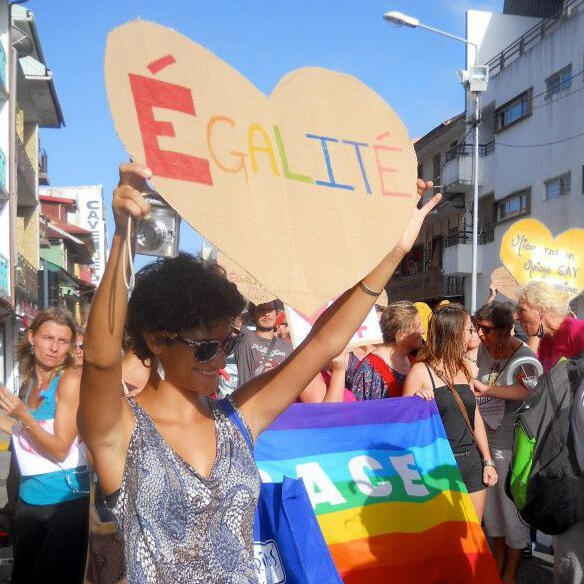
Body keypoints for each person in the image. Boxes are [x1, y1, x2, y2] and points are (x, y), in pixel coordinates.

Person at [77, 163, 439, 583]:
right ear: (157, 340)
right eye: (205, 347)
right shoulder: (120, 431)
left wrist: (392, 251)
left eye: (226, 344)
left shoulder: (237, 420)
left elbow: (321, 344)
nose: (219, 360)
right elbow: (100, 361)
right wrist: (123, 237)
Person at [0, 307, 89, 584]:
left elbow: (60, 448)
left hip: (64, 504)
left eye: (63, 341)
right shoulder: (28, 383)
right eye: (48, 338)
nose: (54, 348)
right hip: (28, 500)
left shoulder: (70, 381)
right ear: (32, 337)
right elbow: (20, 432)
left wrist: (23, 415)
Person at [516, 281, 584, 584]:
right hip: (566, 478)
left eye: (522, 310)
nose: (517, 317)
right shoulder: (552, 349)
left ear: (541, 313)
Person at [403, 303, 498, 520]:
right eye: (469, 329)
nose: (473, 335)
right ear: (454, 332)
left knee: (474, 535)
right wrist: (416, 405)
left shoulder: (463, 367)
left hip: (472, 462)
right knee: (445, 536)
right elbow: (405, 428)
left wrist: (487, 460)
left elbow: (475, 417)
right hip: (439, 465)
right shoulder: (420, 371)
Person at [472, 301, 539, 584]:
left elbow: (528, 392)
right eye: (477, 328)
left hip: (512, 447)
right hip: (485, 447)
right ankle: (497, 568)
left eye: (486, 329)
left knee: (513, 518)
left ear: (504, 330)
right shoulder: (480, 351)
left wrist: (489, 389)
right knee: (493, 518)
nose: (480, 333)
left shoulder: (524, 357)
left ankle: (509, 575)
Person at [351, 301, 423, 400]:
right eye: (418, 327)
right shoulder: (370, 369)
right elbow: (360, 412)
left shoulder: (413, 362)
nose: (422, 331)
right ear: (401, 335)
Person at [233, 301, 292, 387]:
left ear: (276, 314)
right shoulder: (243, 337)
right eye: (261, 310)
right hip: (248, 398)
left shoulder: (289, 347)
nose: (266, 314)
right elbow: (230, 318)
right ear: (253, 314)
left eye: (270, 309)